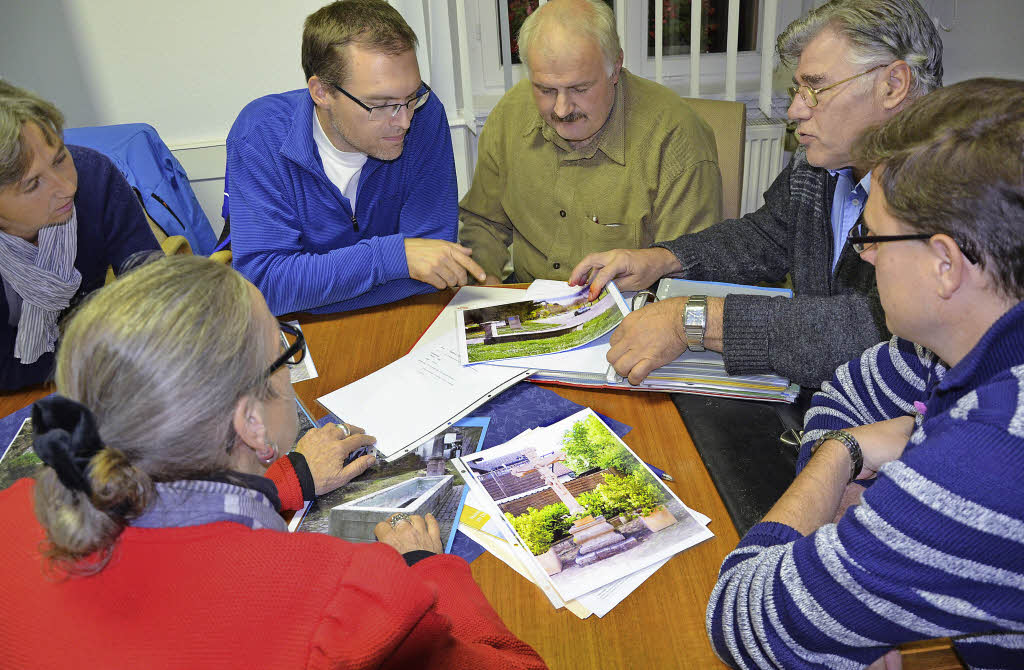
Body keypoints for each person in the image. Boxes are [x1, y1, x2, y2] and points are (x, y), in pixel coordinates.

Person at [0, 255, 547, 669]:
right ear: (250, 422)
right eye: (286, 350)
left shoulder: (15, 509)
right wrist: (429, 567)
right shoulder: (350, 607)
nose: (291, 363)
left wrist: (290, 478)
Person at [707, 78, 1024, 669]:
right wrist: (861, 571)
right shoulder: (954, 345)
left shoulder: (991, 458)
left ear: (945, 265)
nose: (864, 254)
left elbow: (742, 619)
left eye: (873, 235)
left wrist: (841, 456)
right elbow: (846, 389)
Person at [570, 0, 942, 388]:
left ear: (893, 86)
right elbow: (766, 236)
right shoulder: (820, 162)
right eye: (798, 89)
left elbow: (875, 332)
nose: (796, 110)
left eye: (815, 89)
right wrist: (662, 259)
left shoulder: (952, 193)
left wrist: (694, 320)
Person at [227, 0, 486, 316]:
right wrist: (392, 258)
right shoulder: (259, 134)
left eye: (411, 97)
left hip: (402, 321)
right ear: (322, 92)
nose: (404, 121)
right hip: (306, 338)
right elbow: (264, 287)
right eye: (380, 104)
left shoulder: (426, 115)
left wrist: (310, 287)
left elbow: (435, 271)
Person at [458, 0, 722, 285]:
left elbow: (690, 269)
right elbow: (484, 223)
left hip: (630, 311)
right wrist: (488, 292)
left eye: (580, 88)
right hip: (526, 299)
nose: (561, 109)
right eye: (545, 90)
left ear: (615, 67)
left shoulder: (675, 138)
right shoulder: (511, 113)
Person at [0, 80, 161, 391]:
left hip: (93, 375)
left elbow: (154, 292)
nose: (67, 188)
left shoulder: (94, 177)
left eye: (60, 158)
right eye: (33, 184)